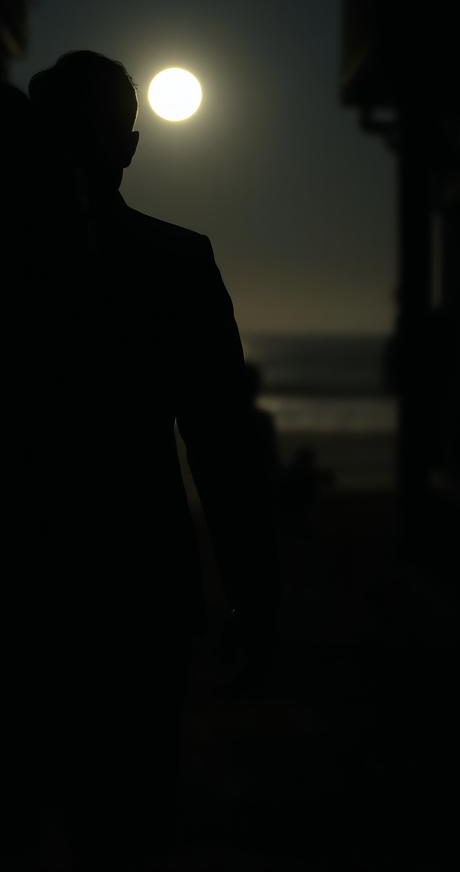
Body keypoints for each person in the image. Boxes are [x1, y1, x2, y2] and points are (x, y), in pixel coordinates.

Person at [28, 50, 281, 867]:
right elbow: (223, 445)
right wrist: (254, 593)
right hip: (124, 584)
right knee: (125, 818)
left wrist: (252, 589)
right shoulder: (176, 261)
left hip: (47, 583)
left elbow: (224, 444)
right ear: (129, 146)